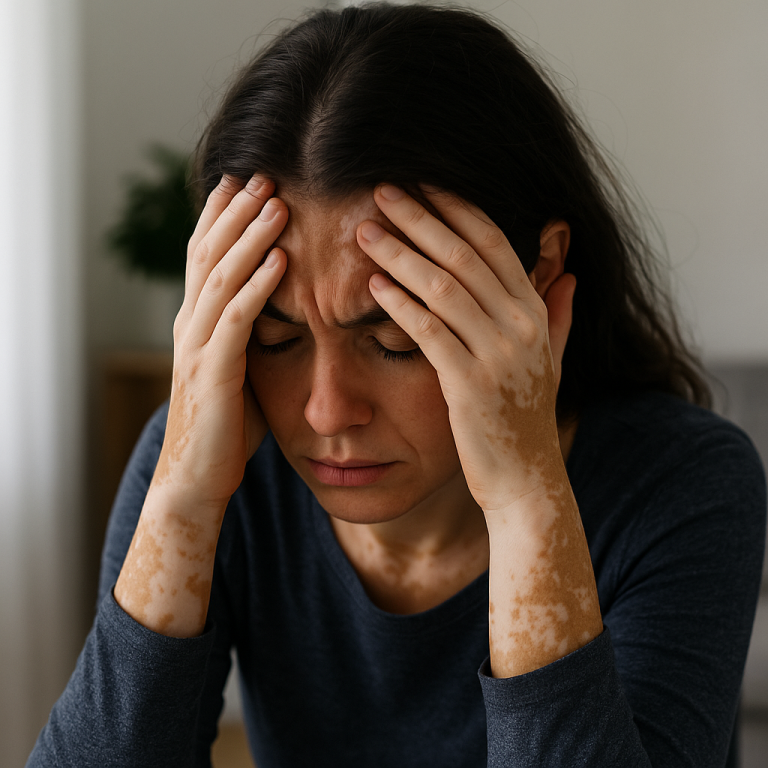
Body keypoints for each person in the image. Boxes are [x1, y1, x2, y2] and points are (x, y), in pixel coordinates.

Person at [28, 3, 766, 767]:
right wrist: (181, 499)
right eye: (277, 340)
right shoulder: (209, 467)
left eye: (393, 342)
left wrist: (525, 499)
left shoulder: (684, 483)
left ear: (537, 273)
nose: (326, 411)